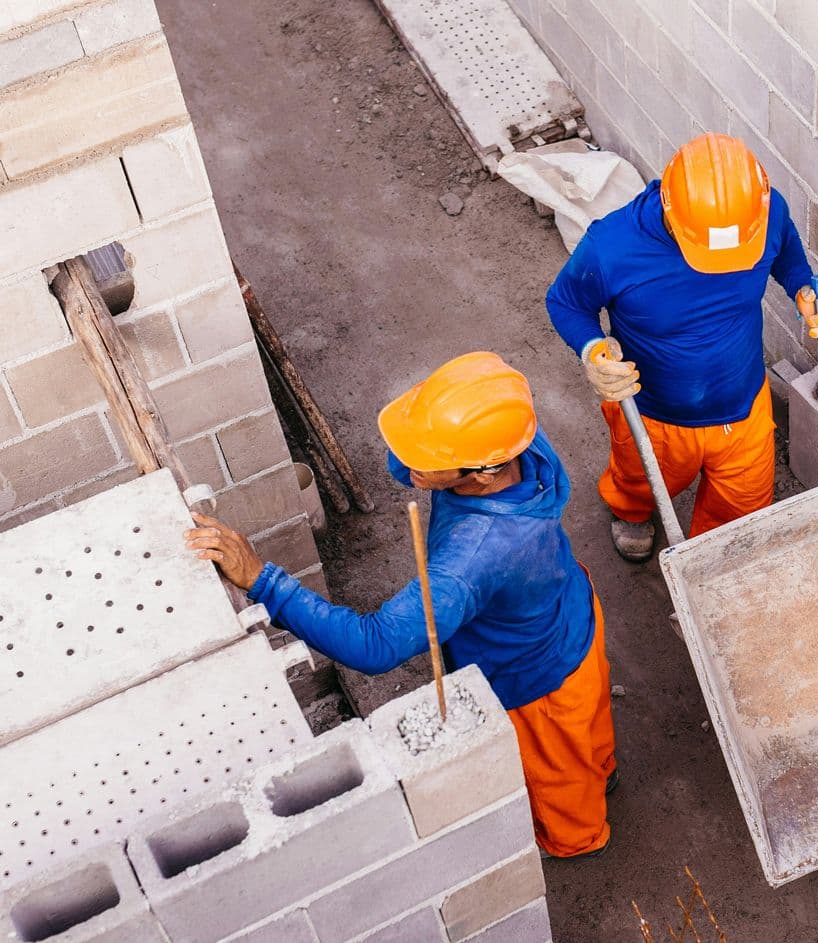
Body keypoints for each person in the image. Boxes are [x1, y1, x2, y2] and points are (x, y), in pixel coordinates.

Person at [184, 352, 616, 860]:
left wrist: (263, 580)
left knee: (561, 786)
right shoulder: (514, 441)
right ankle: (599, 770)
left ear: (480, 474)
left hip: (536, 680)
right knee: (589, 739)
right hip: (573, 616)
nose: (410, 465)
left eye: (426, 456)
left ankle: (577, 842)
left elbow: (377, 645)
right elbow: (411, 462)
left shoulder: (473, 560)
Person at [546, 132, 818, 562]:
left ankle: (713, 558)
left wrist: (808, 293)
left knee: (738, 520)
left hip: (743, 408)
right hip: (654, 414)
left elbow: (790, 260)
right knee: (642, 479)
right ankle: (632, 511)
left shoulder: (764, 214)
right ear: (671, 215)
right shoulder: (612, 247)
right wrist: (592, 349)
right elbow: (565, 302)